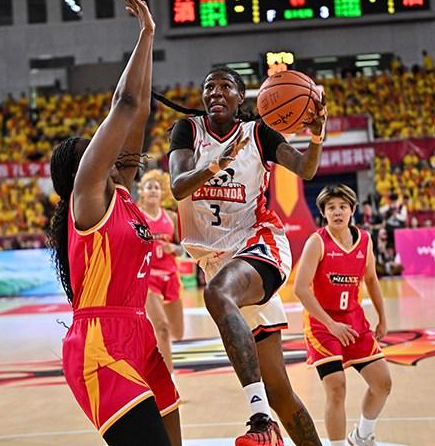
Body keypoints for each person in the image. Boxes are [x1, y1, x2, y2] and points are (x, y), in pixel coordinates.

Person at [46, 0, 180, 445]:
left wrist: (151, 35)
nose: (106, 150)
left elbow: (140, 110)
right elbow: (124, 106)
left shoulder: (120, 191)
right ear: (79, 170)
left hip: (138, 333)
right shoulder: (87, 200)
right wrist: (144, 33)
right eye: (92, 151)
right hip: (100, 343)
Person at [163, 66, 326, 445]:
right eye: (209, 86)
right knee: (280, 390)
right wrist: (218, 162)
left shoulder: (258, 133)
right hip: (216, 260)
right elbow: (178, 186)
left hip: (259, 244)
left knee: (217, 293)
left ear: (241, 97)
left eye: (226, 86)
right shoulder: (187, 131)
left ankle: (260, 420)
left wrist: (317, 135)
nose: (216, 92)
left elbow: (306, 168)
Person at [293, 185, 392, 446]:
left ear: (352, 210)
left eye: (343, 207)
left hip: (354, 320)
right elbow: (300, 289)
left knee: (382, 383)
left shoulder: (365, 240)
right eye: (331, 208)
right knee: (336, 386)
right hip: (322, 323)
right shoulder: (316, 242)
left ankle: (362, 436)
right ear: (323, 213)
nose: (337, 212)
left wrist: (382, 317)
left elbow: (371, 279)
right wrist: (331, 324)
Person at [137, 169, 185, 374]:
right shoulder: (136, 217)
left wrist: (173, 248)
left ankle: (152, 353)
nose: (153, 190)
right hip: (149, 279)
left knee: (177, 332)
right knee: (162, 328)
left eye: (156, 187)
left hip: (171, 276)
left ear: (162, 192)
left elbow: (182, 249)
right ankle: (169, 378)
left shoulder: (171, 217)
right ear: (142, 191)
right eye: (149, 187)